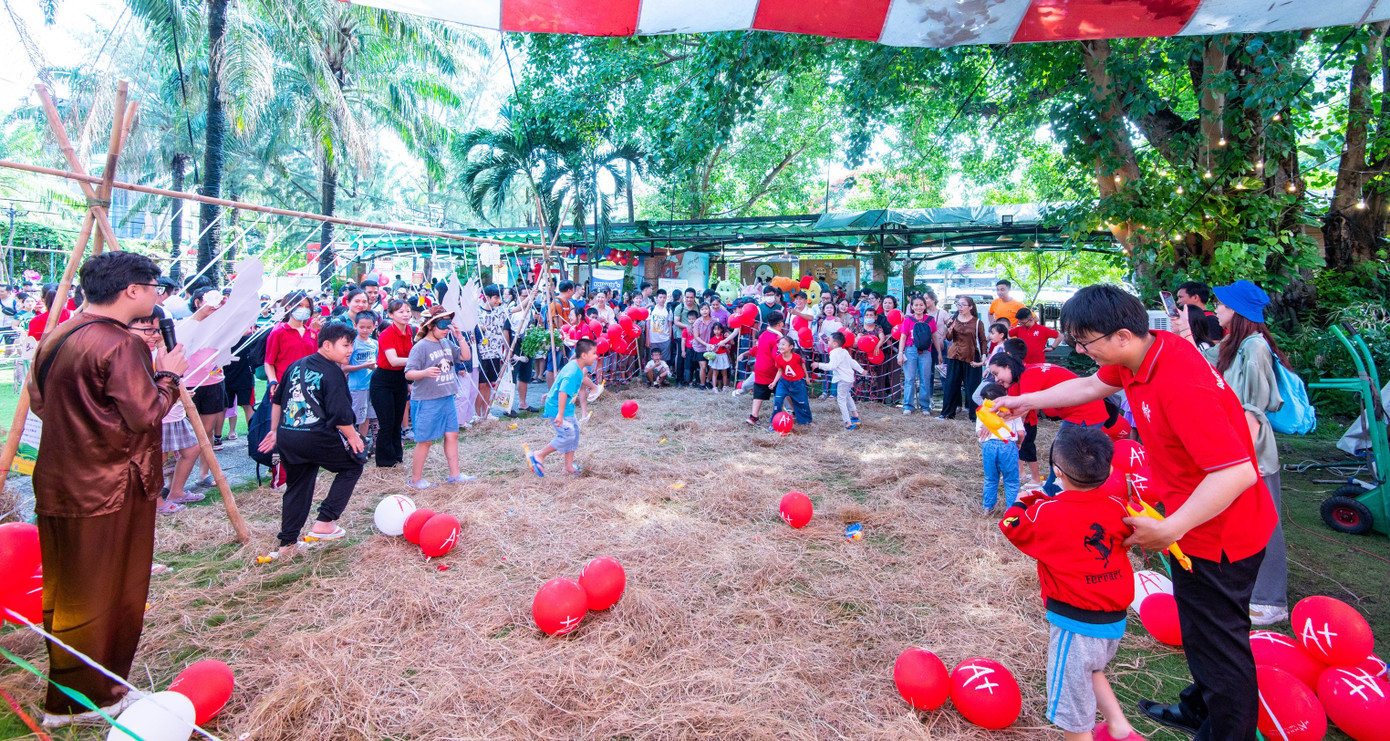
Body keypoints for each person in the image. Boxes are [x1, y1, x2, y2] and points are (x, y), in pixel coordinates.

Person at [998, 284, 1273, 741]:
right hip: (1195, 525)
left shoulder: (1180, 383)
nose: (1083, 352)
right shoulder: (1141, 357)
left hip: (1221, 535)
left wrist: (1170, 529)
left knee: (1221, 649)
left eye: (1086, 343)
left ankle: (1227, 730)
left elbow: (1236, 475)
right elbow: (1088, 385)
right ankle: (1200, 709)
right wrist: (1027, 401)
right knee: (1204, 637)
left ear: (1122, 334)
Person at [29, 252, 187, 727]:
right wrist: (169, 375)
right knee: (108, 590)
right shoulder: (118, 343)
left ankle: (71, 692)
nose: (160, 295)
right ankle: (91, 699)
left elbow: (40, 402)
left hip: (61, 477)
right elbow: (144, 415)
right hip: (111, 485)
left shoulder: (60, 331)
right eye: (155, 286)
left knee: (69, 589)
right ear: (132, 291)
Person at [998, 426, 1143, 741]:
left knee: (1074, 718)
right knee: (1092, 670)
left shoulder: (1047, 513)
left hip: (1077, 624)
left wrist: (1023, 502)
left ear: (1057, 472)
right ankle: (1118, 725)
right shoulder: (1118, 507)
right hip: (1113, 620)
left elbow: (1010, 526)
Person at [1177, 280, 1290, 627]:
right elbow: (1201, 366)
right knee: (1242, 521)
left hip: (1250, 447)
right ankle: (1248, 589)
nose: (1217, 309)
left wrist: (1244, 457)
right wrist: (1183, 333)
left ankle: (1271, 599)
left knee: (1265, 522)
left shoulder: (1254, 347)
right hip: (1233, 445)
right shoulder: (1231, 343)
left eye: (1223, 305)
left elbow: (1256, 406)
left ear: (1238, 311)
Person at [257, 322, 365, 560]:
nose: (350, 350)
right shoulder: (332, 372)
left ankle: (287, 544)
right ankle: (325, 521)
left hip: (289, 435)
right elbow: (340, 414)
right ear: (327, 345)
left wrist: (276, 430)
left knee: (298, 486)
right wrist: (353, 436)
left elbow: (277, 401)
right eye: (345, 345)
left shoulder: (296, 366)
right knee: (353, 464)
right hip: (316, 436)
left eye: (351, 345)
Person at [988, 353, 1110, 494]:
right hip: (1086, 411)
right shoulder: (1032, 370)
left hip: (1085, 413)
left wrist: (998, 424)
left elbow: (1023, 411)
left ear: (1008, 367)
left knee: (1062, 456)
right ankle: (1054, 491)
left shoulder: (1029, 376)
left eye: (997, 374)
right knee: (1060, 454)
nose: (996, 379)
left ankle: (1053, 493)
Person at [126, 315, 203, 515]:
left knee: (192, 449)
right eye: (148, 330)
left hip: (173, 411)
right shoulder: (132, 354)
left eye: (157, 330)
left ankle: (175, 491)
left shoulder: (159, 351)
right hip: (160, 414)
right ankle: (157, 501)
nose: (154, 335)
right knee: (155, 459)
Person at [404, 309, 477, 488]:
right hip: (427, 399)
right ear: (430, 325)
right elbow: (408, 373)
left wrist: (460, 337)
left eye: (448, 325)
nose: (446, 329)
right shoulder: (420, 347)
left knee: (452, 435)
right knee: (426, 440)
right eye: (442, 325)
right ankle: (415, 480)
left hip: (446, 397)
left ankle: (455, 474)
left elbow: (465, 356)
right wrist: (424, 373)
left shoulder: (446, 342)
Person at [526, 338, 598, 477]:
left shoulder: (575, 366)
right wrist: (559, 414)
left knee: (574, 434)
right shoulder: (573, 372)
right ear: (584, 355)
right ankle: (539, 454)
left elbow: (559, 381)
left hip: (567, 408)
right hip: (558, 408)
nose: (596, 356)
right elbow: (563, 392)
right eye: (593, 353)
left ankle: (568, 466)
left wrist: (550, 392)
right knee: (566, 436)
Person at [369, 300, 414, 467]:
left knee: (396, 422)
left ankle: (397, 457)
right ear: (390, 315)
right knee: (387, 423)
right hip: (383, 381)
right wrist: (416, 360)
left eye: (407, 311)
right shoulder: (387, 334)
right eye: (400, 312)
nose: (405, 314)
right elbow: (393, 360)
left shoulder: (411, 331)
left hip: (400, 379)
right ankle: (384, 462)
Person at [976, 383, 1024, 512]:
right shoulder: (1012, 413)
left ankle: (987, 507)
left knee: (991, 478)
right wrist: (1019, 443)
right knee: (1011, 480)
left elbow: (979, 432)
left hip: (988, 446)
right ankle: (1011, 510)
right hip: (1008, 445)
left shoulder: (981, 412)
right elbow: (1021, 433)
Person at [939, 295, 987, 419]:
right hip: (954, 354)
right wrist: (949, 329)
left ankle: (975, 415)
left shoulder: (977, 322)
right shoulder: (953, 320)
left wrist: (984, 355)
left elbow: (982, 340)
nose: (959, 307)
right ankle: (947, 413)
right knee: (951, 385)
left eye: (963, 305)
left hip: (971, 355)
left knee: (972, 385)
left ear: (970, 307)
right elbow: (949, 338)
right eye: (958, 304)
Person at [263, 293, 318, 385]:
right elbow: (269, 362)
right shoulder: (278, 332)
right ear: (288, 307)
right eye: (300, 305)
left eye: (307, 306)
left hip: (307, 384)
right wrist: (273, 381)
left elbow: (315, 360)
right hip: (283, 384)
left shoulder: (312, 334)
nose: (304, 309)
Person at [741, 312, 785, 426]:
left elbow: (757, 349)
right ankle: (792, 412)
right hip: (772, 369)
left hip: (760, 367)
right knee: (784, 390)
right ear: (780, 324)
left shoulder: (763, 334)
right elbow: (777, 355)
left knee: (759, 392)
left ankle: (753, 416)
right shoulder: (778, 338)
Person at [815, 330, 865, 430]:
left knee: (841, 400)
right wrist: (861, 370)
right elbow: (853, 362)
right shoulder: (844, 351)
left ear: (834, 343)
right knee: (847, 395)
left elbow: (831, 366)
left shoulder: (834, 353)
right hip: (849, 378)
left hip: (842, 379)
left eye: (829, 340)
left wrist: (818, 365)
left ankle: (848, 422)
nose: (827, 342)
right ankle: (855, 414)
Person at [899, 296, 937, 414]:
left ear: (925, 306)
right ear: (911, 307)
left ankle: (925, 406)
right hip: (910, 350)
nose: (918, 307)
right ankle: (908, 405)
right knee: (909, 378)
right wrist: (900, 353)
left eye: (921, 305)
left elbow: (934, 336)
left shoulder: (930, 320)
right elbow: (903, 337)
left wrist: (939, 353)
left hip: (926, 351)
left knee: (925, 378)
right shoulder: (908, 320)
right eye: (916, 305)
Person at [475, 285, 509, 421]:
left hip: (495, 353)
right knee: (481, 384)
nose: (498, 300)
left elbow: (515, 309)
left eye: (499, 297)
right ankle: (477, 414)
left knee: (490, 384)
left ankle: (486, 412)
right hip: (482, 353)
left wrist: (531, 297)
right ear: (487, 297)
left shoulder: (499, 312)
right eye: (495, 297)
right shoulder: (477, 313)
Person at [346, 311, 378, 442]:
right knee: (356, 417)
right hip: (356, 387)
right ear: (355, 326)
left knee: (367, 417)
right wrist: (363, 366)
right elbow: (344, 368)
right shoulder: (352, 344)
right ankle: (352, 442)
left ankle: (362, 442)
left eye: (368, 327)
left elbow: (377, 363)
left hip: (371, 386)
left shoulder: (375, 343)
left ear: (374, 326)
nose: (365, 330)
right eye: (362, 327)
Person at [769, 334, 812, 428]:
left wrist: (807, 377)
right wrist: (774, 382)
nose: (780, 346)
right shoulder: (778, 357)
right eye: (779, 344)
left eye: (783, 344)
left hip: (798, 382)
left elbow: (803, 366)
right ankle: (774, 423)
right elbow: (780, 370)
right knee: (778, 400)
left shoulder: (796, 357)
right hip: (784, 382)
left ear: (791, 347)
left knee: (802, 402)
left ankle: (807, 421)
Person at [707, 323, 734, 392]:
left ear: (721, 330)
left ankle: (725, 386)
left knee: (724, 372)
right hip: (716, 356)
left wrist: (726, 342)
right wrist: (711, 349)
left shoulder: (724, 338)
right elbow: (710, 348)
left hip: (723, 356)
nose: (716, 331)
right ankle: (714, 387)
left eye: (718, 329)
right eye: (715, 329)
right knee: (715, 372)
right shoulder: (712, 339)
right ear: (713, 330)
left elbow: (732, 343)